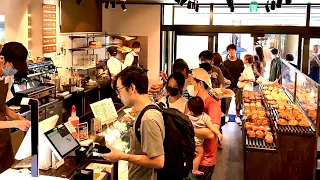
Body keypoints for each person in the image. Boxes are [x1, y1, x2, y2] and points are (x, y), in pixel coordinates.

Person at [101, 66, 165, 180]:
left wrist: (122, 156)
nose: (118, 95)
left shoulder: (148, 118)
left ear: (132, 88)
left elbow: (158, 161)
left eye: (119, 90)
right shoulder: (145, 110)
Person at [0, 42, 31, 173]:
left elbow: (1, 106)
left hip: (3, 138)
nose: (14, 71)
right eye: (12, 67)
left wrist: (17, 117)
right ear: (2, 59)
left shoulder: (6, 76)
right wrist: (16, 124)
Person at [187, 68, 221, 180]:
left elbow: (212, 134)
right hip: (191, 156)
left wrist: (190, 129)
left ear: (200, 83)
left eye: (191, 83)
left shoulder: (212, 105)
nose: (189, 86)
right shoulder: (192, 102)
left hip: (205, 160)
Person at [187, 96, 222, 176]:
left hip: (189, 141)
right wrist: (218, 133)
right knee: (200, 154)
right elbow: (211, 127)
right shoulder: (205, 117)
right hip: (198, 142)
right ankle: (195, 169)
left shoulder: (188, 116)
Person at [223, 44, 244, 124]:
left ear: (235, 51)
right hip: (228, 86)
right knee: (227, 102)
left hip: (238, 85)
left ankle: (237, 116)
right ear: (227, 51)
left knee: (238, 102)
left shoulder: (240, 61)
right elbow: (223, 74)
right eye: (229, 50)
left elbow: (243, 73)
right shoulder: (225, 62)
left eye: (233, 50)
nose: (231, 51)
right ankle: (226, 116)